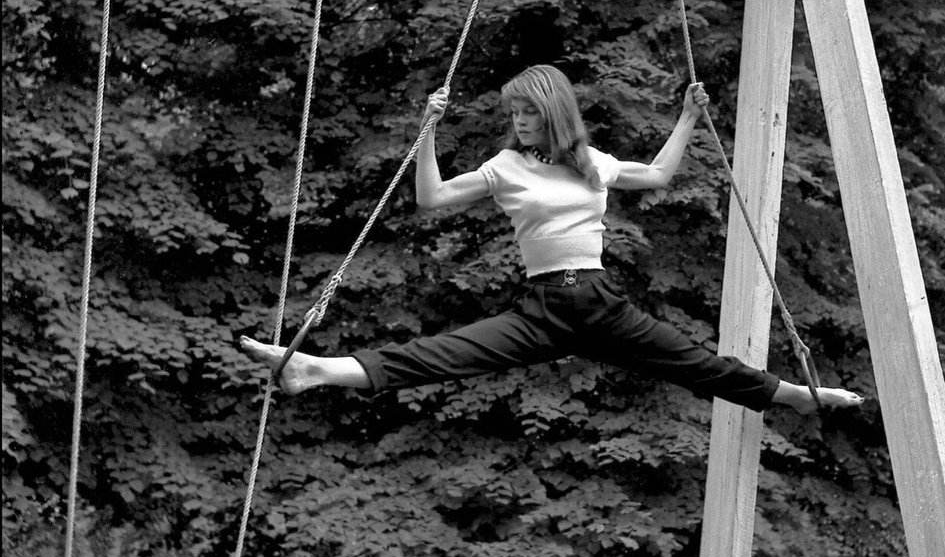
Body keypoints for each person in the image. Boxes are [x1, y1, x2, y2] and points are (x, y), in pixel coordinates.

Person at [240, 64, 863, 416]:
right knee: (442, 353)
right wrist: (427, 130)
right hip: (542, 307)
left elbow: (658, 175)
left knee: (696, 364)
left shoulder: (589, 161)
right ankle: (313, 370)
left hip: (596, 300)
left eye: (528, 113)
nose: (517, 121)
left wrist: (688, 120)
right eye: (512, 113)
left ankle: (798, 398)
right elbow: (430, 197)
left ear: (554, 112)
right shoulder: (505, 167)